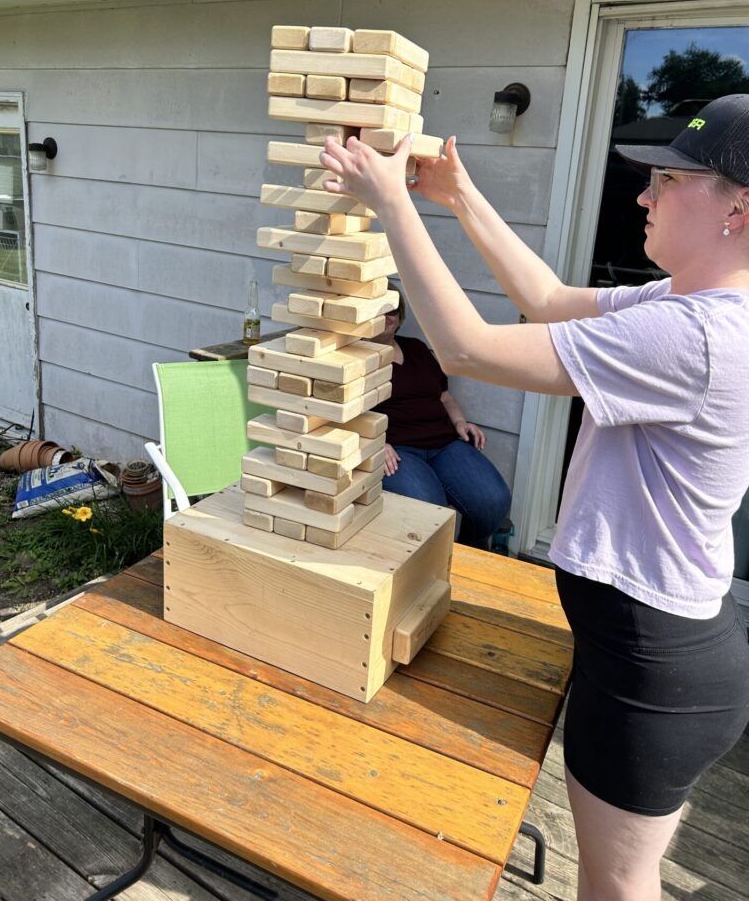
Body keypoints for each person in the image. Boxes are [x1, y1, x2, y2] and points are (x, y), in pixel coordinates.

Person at [320, 94, 749, 901]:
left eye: (667, 179)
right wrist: (456, 195)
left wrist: (387, 202)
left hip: (650, 670)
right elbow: (549, 299)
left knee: (616, 887)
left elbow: (464, 347)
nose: (643, 198)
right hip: (656, 655)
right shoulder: (688, 306)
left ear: (740, 207)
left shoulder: (696, 337)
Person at [370, 282, 511, 549]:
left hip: (444, 443)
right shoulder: (353, 357)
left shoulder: (417, 349)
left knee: (493, 501)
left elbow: (444, 396)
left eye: (391, 310)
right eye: (378, 310)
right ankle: (434, 564)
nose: (386, 317)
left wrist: (460, 422)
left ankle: (465, 553)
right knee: (429, 512)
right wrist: (374, 441)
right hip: (398, 451)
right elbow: (346, 414)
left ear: (400, 317)